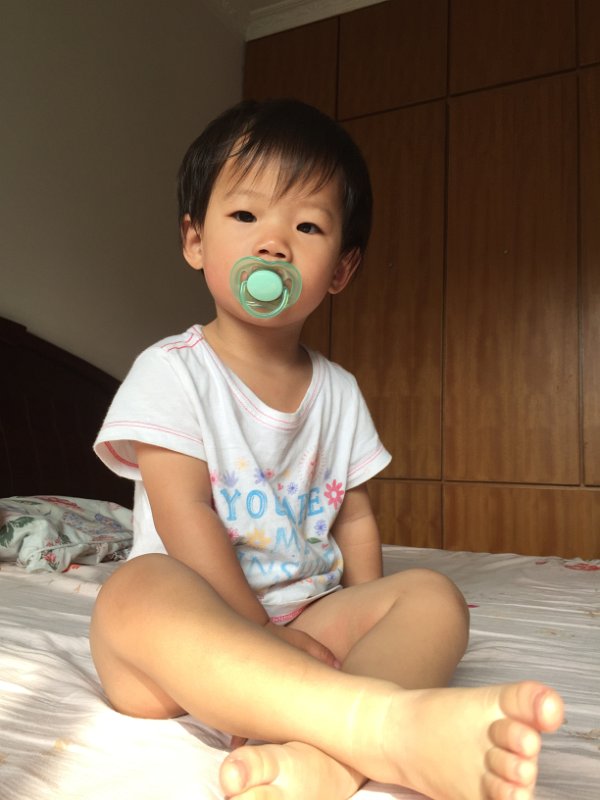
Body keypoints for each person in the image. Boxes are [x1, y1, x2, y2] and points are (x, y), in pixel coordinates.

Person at [91, 98, 563, 800]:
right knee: (134, 591)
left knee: (433, 596)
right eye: (245, 215)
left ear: (340, 269)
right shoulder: (172, 372)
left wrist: (368, 612)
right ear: (195, 241)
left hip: (310, 622)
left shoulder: (338, 391)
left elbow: (355, 516)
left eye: (307, 226)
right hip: (196, 637)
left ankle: (326, 759)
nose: (274, 244)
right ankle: (375, 722)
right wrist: (258, 632)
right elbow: (183, 511)